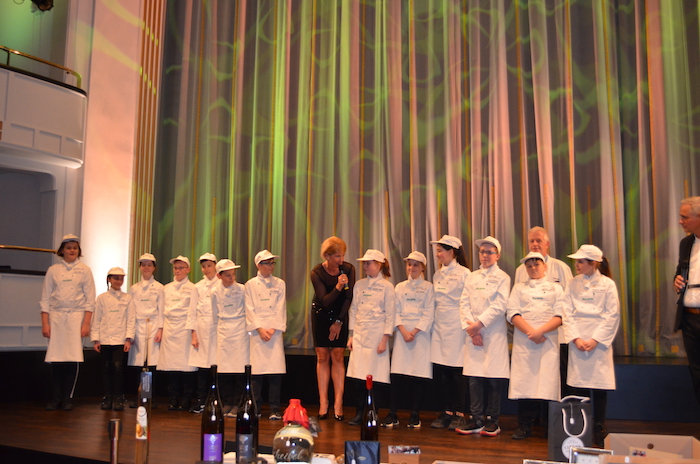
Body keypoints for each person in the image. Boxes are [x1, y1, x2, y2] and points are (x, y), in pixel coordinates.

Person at [562, 244, 620, 447]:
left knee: (599, 386)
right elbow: (566, 312)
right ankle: (582, 426)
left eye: (580, 262)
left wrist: (596, 339)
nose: (577, 265)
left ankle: (599, 425)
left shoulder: (608, 285)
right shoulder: (572, 284)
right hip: (578, 340)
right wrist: (576, 338)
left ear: (593, 263)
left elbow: (612, 314)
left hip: (599, 343)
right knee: (580, 386)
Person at [506, 252, 564, 440]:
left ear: (545, 266)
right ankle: (524, 425)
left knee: (547, 384)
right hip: (525, 343)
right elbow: (512, 313)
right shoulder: (518, 288)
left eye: (536, 264)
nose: (533, 268)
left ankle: (549, 427)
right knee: (525, 383)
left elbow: (560, 315)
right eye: (529, 266)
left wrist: (540, 332)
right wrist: (531, 332)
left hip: (548, 342)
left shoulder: (556, 289)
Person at [457, 236, 510, 437]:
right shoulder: (471, 277)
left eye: (489, 252)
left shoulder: (503, 277)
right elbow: (464, 303)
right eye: (482, 252)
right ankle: (476, 419)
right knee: (474, 378)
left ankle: (493, 420)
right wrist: (472, 329)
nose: (485, 255)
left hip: (493, 333)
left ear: (497, 255)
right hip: (473, 334)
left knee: (494, 379)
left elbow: (500, 305)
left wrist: (479, 325)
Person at [40, 234, 96, 411]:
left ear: (79, 251)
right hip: (56, 317)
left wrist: (86, 323)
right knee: (56, 359)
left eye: (75, 248)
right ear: (62, 250)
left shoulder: (85, 270)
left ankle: (68, 398)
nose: (72, 251)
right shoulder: (53, 270)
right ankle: (56, 398)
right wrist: (45, 323)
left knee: (72, 358)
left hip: (76, 317)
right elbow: (45, 298)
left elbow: (90, 299)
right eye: (69, 248)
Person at [382, 251, 435, 429]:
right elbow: (394, 310)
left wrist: (415, 331)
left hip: (421, 336)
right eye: (409, 264)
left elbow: (429, 312)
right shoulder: (399, 287)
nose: (411, 268)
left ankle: (415, 414)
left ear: (423, 268)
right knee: (397, 375)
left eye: (415, 265)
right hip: (402, 334)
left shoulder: (428, 287)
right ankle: (393, 413)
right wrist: (404, 331)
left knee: (418, 376)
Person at [346, 249, 396, 426]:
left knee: (376, 377)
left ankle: (373, 412)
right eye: (364, 263)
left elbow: (390, 315)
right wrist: (351, 335)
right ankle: (359, 411)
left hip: (377, 337)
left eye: (368, 263)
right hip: (360, 335)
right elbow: (353, 310)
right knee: (359, 377)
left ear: (379, 265)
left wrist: (384, 339)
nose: (365, 266)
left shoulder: (387, 287)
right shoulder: (359, 285)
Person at [310, 237, 355, 421]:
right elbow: (325, 301)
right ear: (327, 256)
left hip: (340, 314)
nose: (341, 260)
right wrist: (338, 286)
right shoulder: (316, 273)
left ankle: (338, 403)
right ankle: (323, 403)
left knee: (337, 355)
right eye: (337, 256)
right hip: (321, 313)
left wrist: (338, 322)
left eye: (343, 255)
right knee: (322, 356)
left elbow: (348, 297)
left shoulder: (349, 269)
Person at [429, 235, 471, 430]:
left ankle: (459, 413)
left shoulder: (465, 273)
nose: (438, 254)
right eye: (437, 251)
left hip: (457, 327)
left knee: (457, 372)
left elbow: (467, 302)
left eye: (440, 251)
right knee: (443, 371)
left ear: (452, 252)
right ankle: (447, 412)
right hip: (439, 327)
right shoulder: (437, 275)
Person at [245, 249, 287, 420]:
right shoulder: (250, 285)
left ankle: (275, 408)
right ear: (258, 265)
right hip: (258, 333)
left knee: (275, 372)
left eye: (272, 263)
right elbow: (249, 308)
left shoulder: (280, 283)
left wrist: (273, 328)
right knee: (257, 372)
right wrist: (260, 329)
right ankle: (256, 407)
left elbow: (281, 307)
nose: (271, 266)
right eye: (268, 263)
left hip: (274, 332)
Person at [91, 267, 136, 411]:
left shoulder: (127, 298)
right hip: (105, 338)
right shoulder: (101, 298)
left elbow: (131, 319)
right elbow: (96, 319)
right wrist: (96, 339)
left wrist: (128, 339)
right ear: (109, 279)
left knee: (118, 368)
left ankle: (118, 397)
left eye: (121, 278)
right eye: (115, 278)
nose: (118, 281)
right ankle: (107, 397)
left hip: (120, 339)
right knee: (106, 368)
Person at [157, 255, 197, 411]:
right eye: (175, 268)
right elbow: (161, 310)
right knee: (170, 367)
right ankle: (173, 398)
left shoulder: (193, 288)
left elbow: (194, 311)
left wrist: (193, 332)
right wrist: (160, 329)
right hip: (169, 328)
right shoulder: (166, 288)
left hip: (185, 329)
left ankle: (186, 399)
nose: (178, 271)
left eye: (181, 268)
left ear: (188, 269)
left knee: (186, 368)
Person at [210, 259, 248, 416]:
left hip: (240, 330)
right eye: (227, 275)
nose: (231, 278)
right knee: (224, 370)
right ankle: (227, 402)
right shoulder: (214, 292)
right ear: (219, 276)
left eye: (233, 274)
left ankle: (238, 403)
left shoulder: (242, 289)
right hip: (224, 330)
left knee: (239, 370)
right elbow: (214, 314)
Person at [127, 253, 164, 408]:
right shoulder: (134, 288)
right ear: (140, 268)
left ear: (154, 267)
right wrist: (129, 333)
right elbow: (130, 311)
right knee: (138, 362)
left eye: (149, 265)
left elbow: (161, 310)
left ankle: (149, 396)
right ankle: (139, 396)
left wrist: (160, 329)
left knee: (151, 363)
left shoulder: (160, 288)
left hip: (153, 325)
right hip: (138, 326)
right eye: (143, 265)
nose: (146, 268)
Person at [674, 196, 700, 407]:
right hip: (690, 318)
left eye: (685, 217)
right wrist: (676, 280)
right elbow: (680, 271)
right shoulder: (686, 243)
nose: (680, 221)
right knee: (696, 372)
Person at [187, 253, 219, 413]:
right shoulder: (197, 287)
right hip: (201, 329)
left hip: (217, 330)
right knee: (202, 368)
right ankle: (201, 401)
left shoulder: (221, 284)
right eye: (204, 266)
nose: (206, 269)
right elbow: (192, 311)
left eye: (209, 266)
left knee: (216, 367)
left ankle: (216, 400)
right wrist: (194, 334)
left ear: (215, 266)